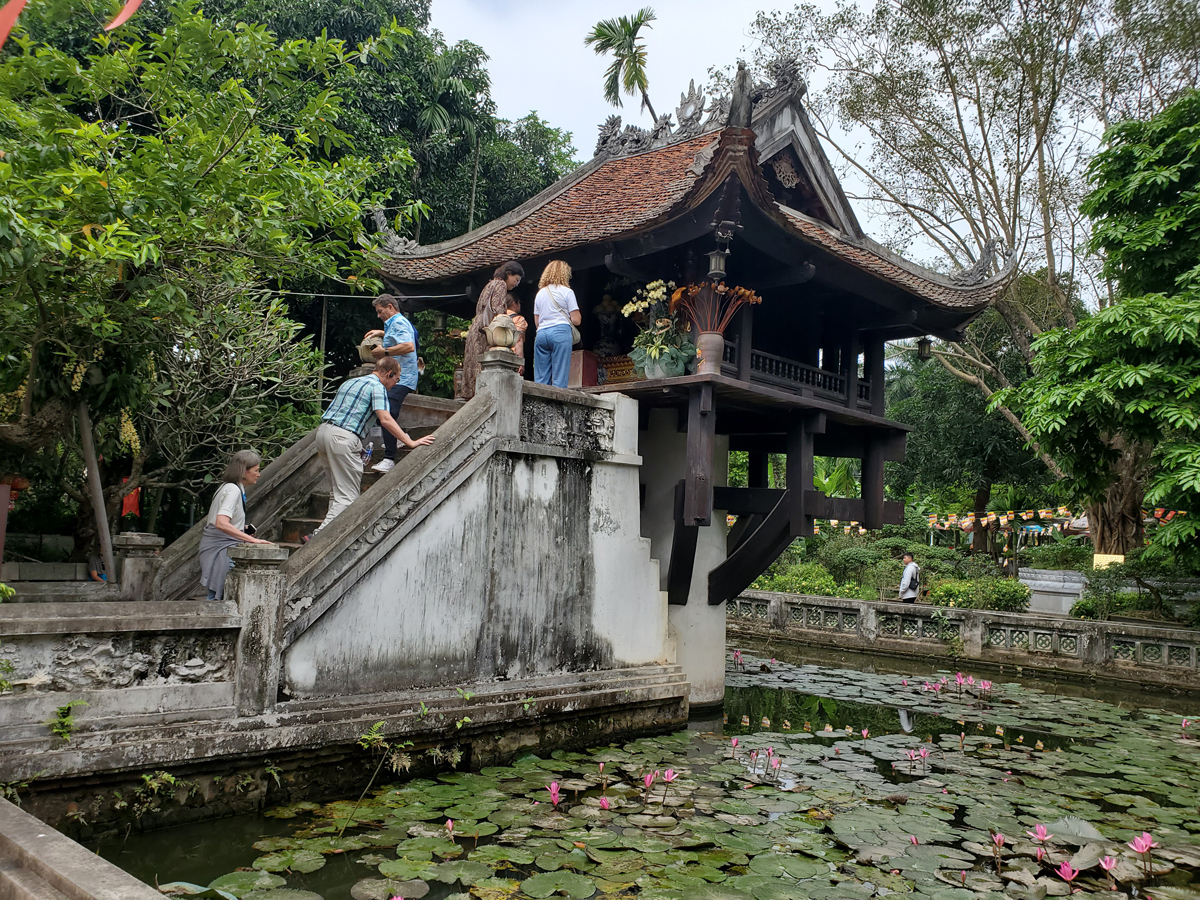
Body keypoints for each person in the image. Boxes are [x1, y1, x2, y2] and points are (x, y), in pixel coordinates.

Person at [315, 357, 435, 532]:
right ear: (389, 374)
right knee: (348, 497)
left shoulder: (351, 382)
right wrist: (410, 441)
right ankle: (320, 537)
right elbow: (385, 419)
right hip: (343, 437)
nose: (395, 384)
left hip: (323, 433)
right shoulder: (377, 387)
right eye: (396, 379)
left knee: (337, 491)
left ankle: (321, 533)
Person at [198, 450, 273, 600]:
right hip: (221, 547)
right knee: (222, 595)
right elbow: (221, 522)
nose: (258, 474)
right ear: (244, 472)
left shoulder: (229, 487)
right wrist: (252, 540)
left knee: (220, 595)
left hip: (221, 545)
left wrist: (242, 529)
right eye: (256, 470)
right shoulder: (233, 490)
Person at [362, 294, 418, 474]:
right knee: (383, 411)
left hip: (402, 377)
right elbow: (403, 336)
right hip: (398, 377)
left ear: (390, 307)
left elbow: (409, 346)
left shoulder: (399, 322)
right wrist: (381, 333)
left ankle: (389, 458)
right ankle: (399, 438)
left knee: (387, 413)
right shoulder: (395, 323)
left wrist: (384, 352)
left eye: (380, 311)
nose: (379, 315)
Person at [462, 261, 524, 399]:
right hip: (487, 328)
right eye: (516, 279)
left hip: (477, 326)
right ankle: (481, 394)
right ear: (508, 274)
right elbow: (497, 309)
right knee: (482, 362)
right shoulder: (501, 285)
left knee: (473, 361)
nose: (517, 284)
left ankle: (470, 392)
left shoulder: (490, 284)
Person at [533, 260, 580, 388]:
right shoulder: (567, 292)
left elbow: (537, 322)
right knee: (560, 374)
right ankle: (558, 399)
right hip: (560, 331)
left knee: (541, 377)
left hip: (542, 333)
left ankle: (540, 398)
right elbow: (576, 320)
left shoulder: (540, 293)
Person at [506, 294, 528, 373]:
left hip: (498, 354)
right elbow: (518, 340)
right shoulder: (519, 319)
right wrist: (520, 362)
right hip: (513, 356)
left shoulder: (497, 317)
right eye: (519, 302)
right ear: (514, 304)